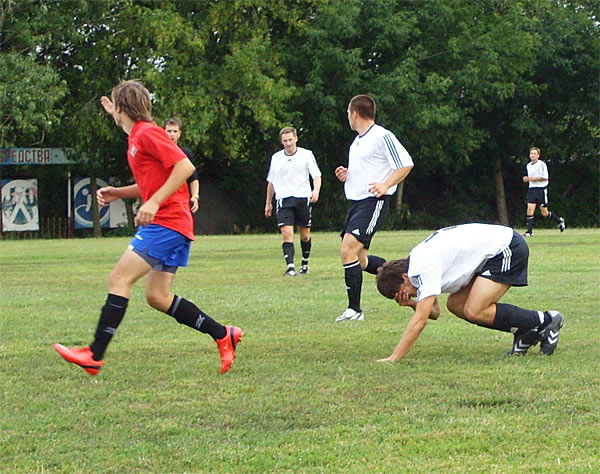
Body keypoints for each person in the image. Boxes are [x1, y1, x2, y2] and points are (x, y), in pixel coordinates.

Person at [54, 80, 242, 375]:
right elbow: (149, 181)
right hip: (175, 224)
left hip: (167, 222)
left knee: (119, 279)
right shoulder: (137, 136)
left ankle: (94, 354)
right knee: (157, 297)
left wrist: (153, 203)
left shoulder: (146, 133)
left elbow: (185, 167)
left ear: (121, 109)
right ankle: (223, 334)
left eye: (115, 108)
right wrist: (118, 192)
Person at [375, 223, 564, 362]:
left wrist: (394, 357)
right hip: (490, 255)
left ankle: (546, 320)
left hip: (506, 248)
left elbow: (421, 320)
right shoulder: (417, 265)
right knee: (456, 305)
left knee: (475, 309)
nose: (410, 295)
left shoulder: (421, 268)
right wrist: (412, 304)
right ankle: (524, 330)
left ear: (405, 277)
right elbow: (435, 313)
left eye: (404, 292)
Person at [334, 94, 414, 321]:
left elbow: (406, 163)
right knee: (360, 260)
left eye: (348, 113)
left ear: (355, 113)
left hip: (372, 204)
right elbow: (367, 170)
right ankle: (403, 272)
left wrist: (386, 184)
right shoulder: (357, 141)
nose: (348, 118)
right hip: (356, 204)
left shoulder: (382, 135)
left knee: (347, 249)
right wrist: (347, 175)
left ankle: (354, 310)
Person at [265, 126, 322, 276]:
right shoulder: (276, 158)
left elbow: (316, 175)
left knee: (304, 235)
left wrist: (315, 190)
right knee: (287, 234)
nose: (288, 143)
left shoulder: (306, 155)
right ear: (281, 142)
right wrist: (268, 203)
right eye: (285, 141)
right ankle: (290, 267)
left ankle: (304, 262)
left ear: (296, 139)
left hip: (302, 198)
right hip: (284, 199)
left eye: (290, 140)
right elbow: (271, 181)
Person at [523, 146, 565, 236]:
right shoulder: (528, 165)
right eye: (531, 153)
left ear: (538, 155)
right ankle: (529, 232)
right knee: (529, 210)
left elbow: (545, 177)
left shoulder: (542, 164)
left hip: (541, 190)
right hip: (531, 190)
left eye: (535, 153)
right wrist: (526, 179)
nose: (533, 155)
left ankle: (559, 221)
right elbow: (530, 178)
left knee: (544, 213)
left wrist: (531, 179)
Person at [163, 117, 200, 214]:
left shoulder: (185, 153)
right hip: (162, 200)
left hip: (180, 202)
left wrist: (195, 196)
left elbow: (193, 178)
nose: (172, 134)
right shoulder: (158, 153)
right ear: (163, 132)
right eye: (169, 131)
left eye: (175, 131)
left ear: (179, 134)